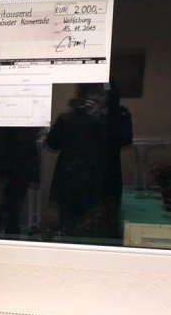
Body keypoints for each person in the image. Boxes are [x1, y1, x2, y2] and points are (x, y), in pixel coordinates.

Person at [45, 82, 133, 241]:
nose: (95, 98)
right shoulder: (74, 114)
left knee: (103, 234)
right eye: (92, 93)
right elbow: (52, 144)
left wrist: (100, 119)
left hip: (103, 188)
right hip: (71, 186)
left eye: (101, 94)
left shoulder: (119, 114)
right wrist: (63, 120)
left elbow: (124, 140)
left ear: (110, 96)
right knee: (70, 234)